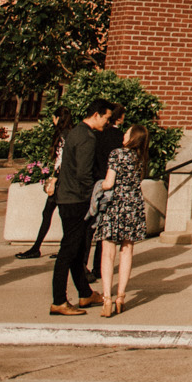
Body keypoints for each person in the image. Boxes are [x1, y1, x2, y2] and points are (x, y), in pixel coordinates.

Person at [49, 100, 109, 316]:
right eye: (106, 117)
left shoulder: (74, 133)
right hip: (77, 200)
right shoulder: (87, 137)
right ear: (96, 114)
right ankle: (58, 300)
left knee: (74, 250)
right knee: (68, 251)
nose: (107, 121)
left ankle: (85, 292)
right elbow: (84, 174)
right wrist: (91, 200)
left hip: (66, 198)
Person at [90, 122, 150, 316]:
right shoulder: (140, 157)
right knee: (127, 251)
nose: (123, 135)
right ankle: (121, 297)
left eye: (127, 132)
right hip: (133, 205)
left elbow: (109, 182)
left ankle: (107, 298)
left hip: (115, 204)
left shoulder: (117, 154)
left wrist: (98, 187)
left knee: (108, 252)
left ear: (133, 137)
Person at [13, 108, 70, 260]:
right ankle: (45, 247)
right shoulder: (67, 134)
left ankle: (39, 248)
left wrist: (54, 178)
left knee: (52, 213)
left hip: (61, 180)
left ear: (58, 118)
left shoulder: (63, 136)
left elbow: (61, 160)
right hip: (64, 179)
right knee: (54, 213)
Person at [87, 104, 125, 281]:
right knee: (104, 229)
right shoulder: (120, 137)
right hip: (111, 183)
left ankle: (82, 265)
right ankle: (97, 267)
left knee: (89, 227)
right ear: (119, 118)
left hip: (96, 181)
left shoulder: (97, 134)